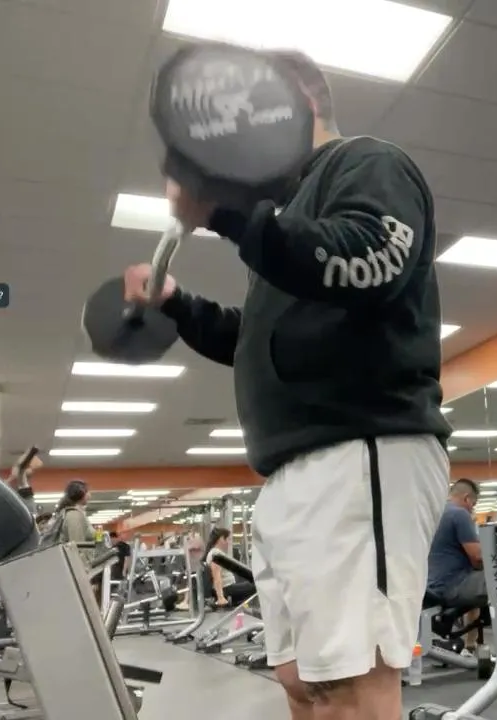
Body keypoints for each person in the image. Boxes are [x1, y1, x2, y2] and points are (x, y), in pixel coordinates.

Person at [122, 49, 450, 719]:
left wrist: (226, 214)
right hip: (292, 473)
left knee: (353, 686)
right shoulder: (289, 217)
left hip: (360, 452)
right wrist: (180, 305)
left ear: (297, 97)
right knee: (303, 682)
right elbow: (256, 341)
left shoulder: (367, 163)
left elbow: (369, 260)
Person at [426, 479, 485, 652]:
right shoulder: (460, 514)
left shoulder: (433, 513)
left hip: (429, 584)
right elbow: (477, 557)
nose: (472, 509)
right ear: (467, 498)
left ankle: (470, 644)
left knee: (477, 584)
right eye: (473, 504)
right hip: (451, 585)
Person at [207, 527, 256, 607]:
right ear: (221, 539)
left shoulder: (217, 553)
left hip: (229, 587)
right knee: (258, 584)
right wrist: (220, 597)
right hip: (226, 589)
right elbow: (216, 576)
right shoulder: (215, 553)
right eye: (228, 539)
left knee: (255, 580)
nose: (229, 542)